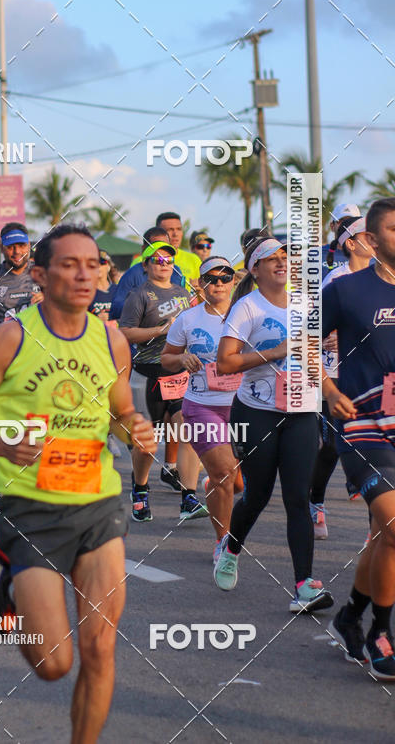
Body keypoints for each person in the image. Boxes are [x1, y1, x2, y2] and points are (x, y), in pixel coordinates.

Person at [0, 224, 156, 744]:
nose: (85, 274)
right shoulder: (12, 337)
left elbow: (122, 412)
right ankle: (11, 589)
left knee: (100, 649)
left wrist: (136, 428)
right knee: (55, 664)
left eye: (93, 264)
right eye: (69, 264)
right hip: (31, 511)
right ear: (39, 274)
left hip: (99, 504)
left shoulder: (111, 338)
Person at [213, 238, 333, 613]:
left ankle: (305, 586)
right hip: (256, 412)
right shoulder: (246, 308)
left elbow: (314, 354)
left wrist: (332, 387)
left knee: (297, 497)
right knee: (258, 494)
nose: (281, 262)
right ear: (254, 269)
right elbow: (225, 364)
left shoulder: (306, 305)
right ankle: (230, 546)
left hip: (301, 410)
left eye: (285, 257)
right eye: (271, 258)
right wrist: (277, 351)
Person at [322, 198, 395, 678]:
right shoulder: (347, 290)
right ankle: (380, 635)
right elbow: (304, 344)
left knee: (381, 535)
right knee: (393, 526)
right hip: (363, 423)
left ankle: (350, 614)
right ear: (371, 238)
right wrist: (327, 389)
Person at [162, 257, 241, 551]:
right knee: (224, 474)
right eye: (211, 278)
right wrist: (181, 359)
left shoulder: (246, 313)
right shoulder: (188, 318)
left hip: (245, 404)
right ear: (201, 283)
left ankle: (213, 484)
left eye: (225, 277)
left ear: (234, 281)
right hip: (202, 404)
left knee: (236, 481)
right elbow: (166, 358)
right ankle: (224, 542)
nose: (218, 283)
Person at [310, 216, 375, 539]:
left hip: (376, 375)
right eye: (367, 234)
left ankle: (377, 528)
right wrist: (327, 336)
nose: (375, 239)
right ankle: (315, 500)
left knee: (379, 449)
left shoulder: (385, 277)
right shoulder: (336, 281)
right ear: (350, 244)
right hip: (335, 375)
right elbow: (312, 327)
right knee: (335, 445)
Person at [119, 241, 192, 518]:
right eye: (158, 260)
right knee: (146, 442)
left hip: (178, 371)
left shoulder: (183, 292)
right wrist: (162, 331)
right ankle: (139, 488)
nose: (165, 265)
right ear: (146, 265)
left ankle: (189, 497)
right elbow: (125, 333)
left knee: (185, 431)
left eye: (169, 260)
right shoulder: (140, 295)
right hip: (148, 371)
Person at [109, 227, 186, 322]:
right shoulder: (132, 273)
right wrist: (143, 308)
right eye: (155, 246)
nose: (161, 251)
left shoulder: (176, 271)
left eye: (165, 246)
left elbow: (180, 304)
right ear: (144, 249)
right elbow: (116, 307)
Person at [155, 212, 201, 289]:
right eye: (170, 230)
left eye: (179, 229)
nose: (175, 234)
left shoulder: (194, 260)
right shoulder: (144, 261)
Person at [321, 202, 361, 279]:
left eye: (352, 221)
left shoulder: (369, 256)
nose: (347, 225)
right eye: (341, 221)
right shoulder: (316, 255)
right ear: (332, 226)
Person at [88, 251, 117, 322]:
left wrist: (111, 318)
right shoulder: (85, 292)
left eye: (102, 262)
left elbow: (128, 317)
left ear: (108, 267)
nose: (98, 266)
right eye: (94, 263)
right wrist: (95, 320)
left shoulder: (118, 290)